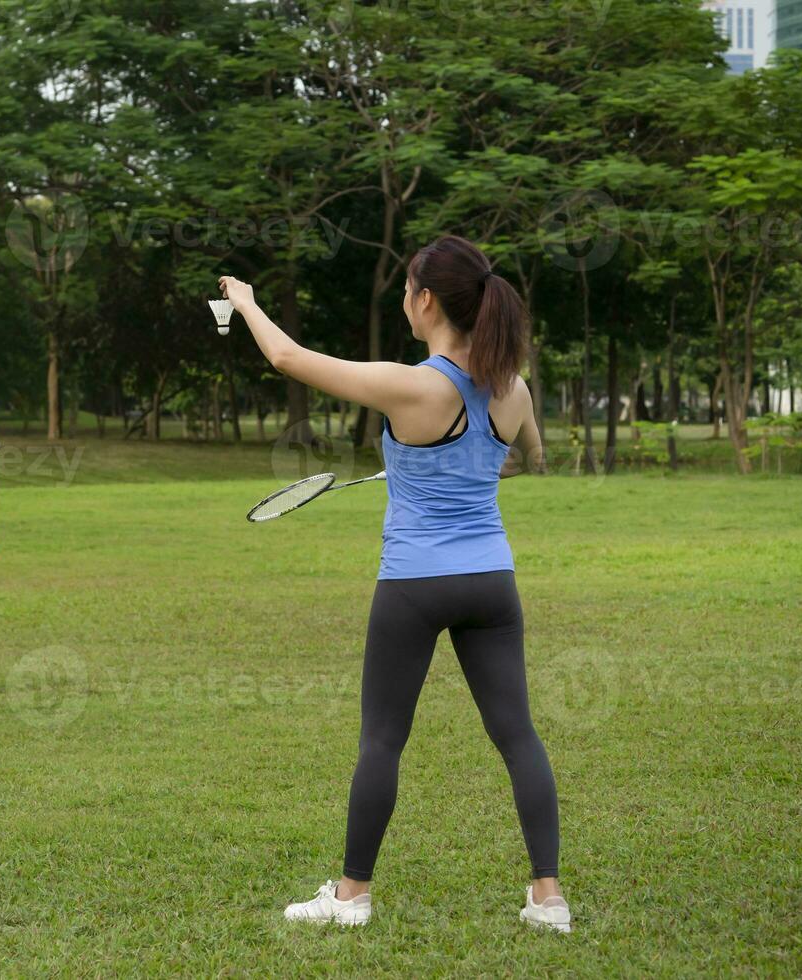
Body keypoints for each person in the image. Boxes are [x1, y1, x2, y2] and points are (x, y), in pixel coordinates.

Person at [219, 234, 570, 933]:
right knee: (518, 735)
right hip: (491, 582)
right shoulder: (513, 387)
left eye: (408, 290)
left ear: (427, 299)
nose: (405, 301)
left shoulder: (414, 383)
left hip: (414, 582)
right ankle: (549, 899)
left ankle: (351, 896)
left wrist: (248, 303)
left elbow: (287, 358)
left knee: (382, 740)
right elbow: (530, 459)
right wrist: (470, 468)